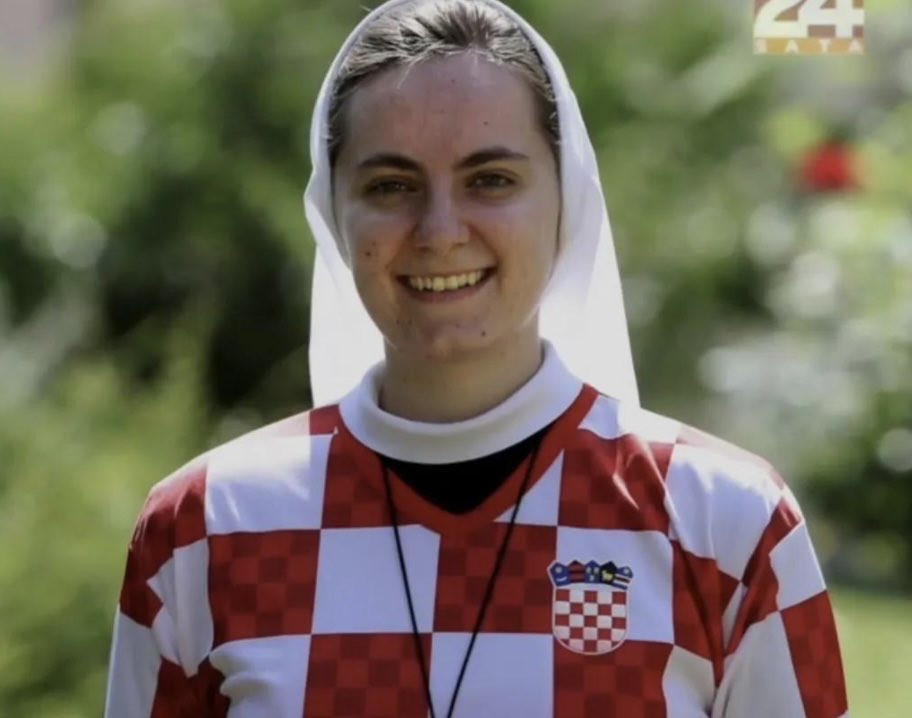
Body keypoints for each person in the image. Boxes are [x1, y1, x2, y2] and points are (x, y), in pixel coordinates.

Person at [103, 0, 849, 716]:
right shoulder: (203, 529)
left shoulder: (727, 524)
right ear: (334, 212)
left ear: (567, 200)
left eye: (491, 180)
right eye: (390, 186)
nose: (440, 230)